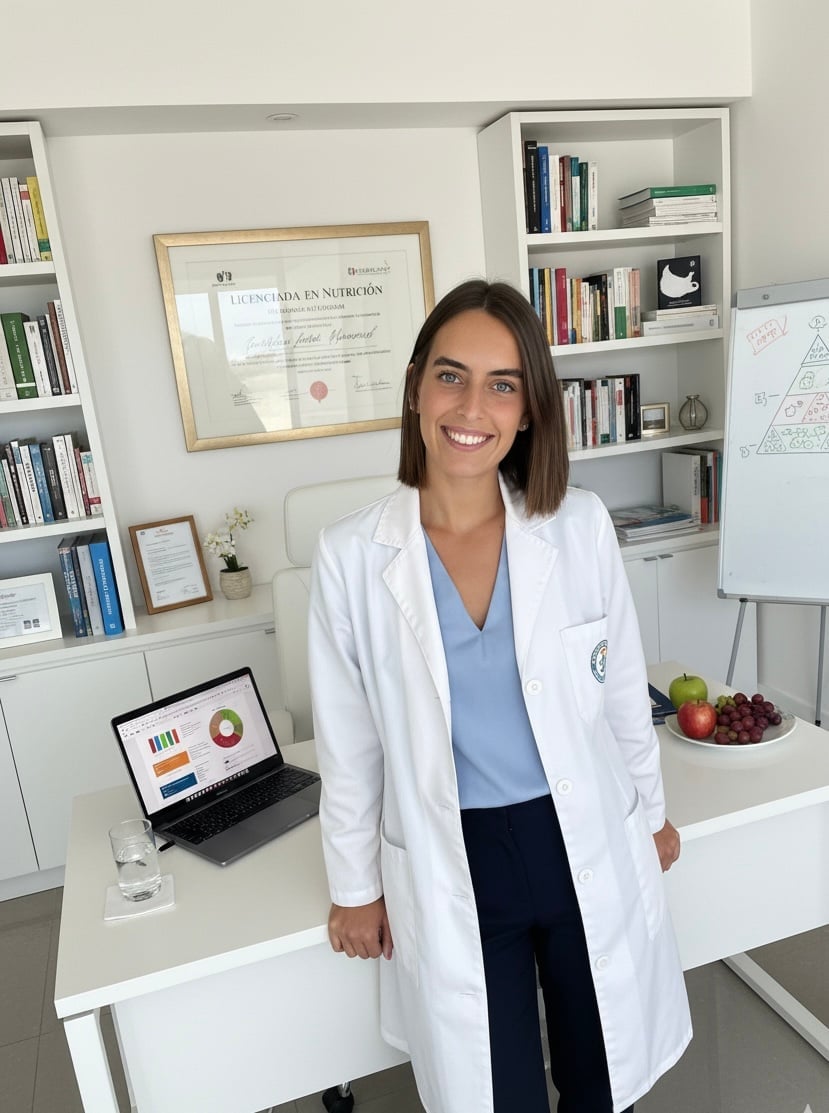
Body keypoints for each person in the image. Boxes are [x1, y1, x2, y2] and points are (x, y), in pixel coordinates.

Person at [308, 279, 692, 1113]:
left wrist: (651, 812)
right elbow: (348, 743)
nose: (470, 406)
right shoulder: (350, 557)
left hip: (577, 828)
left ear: (527, 409)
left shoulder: (577, 524)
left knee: (599, 1076)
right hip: (457, 856)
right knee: (495, 1090)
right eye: (450, 376)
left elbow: (621, 688)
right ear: (415, 387)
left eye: (502, 383)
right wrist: (353, 886)